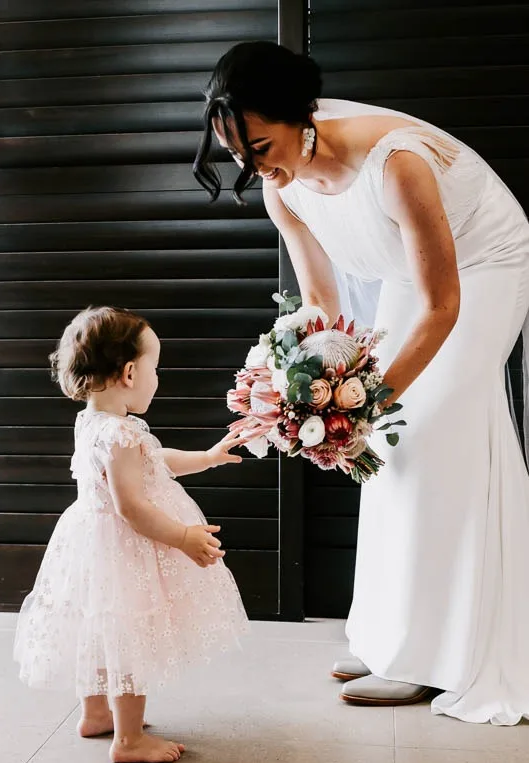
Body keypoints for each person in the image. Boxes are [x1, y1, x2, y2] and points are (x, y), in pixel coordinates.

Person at [194, 41, 529, 725]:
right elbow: (319, 298)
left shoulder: (395, 163)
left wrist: (367, 402)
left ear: (298, 117)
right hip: (410, 271)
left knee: (436, 432)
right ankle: (386, 635)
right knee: (389, 453)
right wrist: (305, 382)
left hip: (484, 262)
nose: (252, 167)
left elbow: (442, 307)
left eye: (259, 145)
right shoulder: (280, 186)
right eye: (235, 154)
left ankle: (437, 656)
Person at [14, 306, 248, 763]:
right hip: (124, 547)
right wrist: (182, 537)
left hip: (90, 543)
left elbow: (154, 463)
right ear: (128, 372)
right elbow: (133, 506)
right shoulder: (120, 432)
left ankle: (97, 714)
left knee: (100, 629)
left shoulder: (94, 421)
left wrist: (208, 456)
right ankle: (128, 740)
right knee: (131, 635)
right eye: (154, 368)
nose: (156, 378)